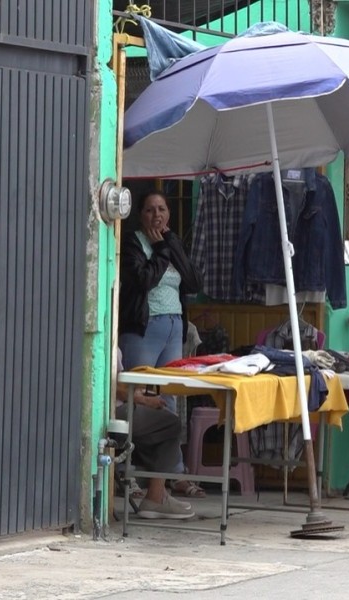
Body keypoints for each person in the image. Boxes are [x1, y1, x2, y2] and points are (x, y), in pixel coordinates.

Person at [119, 189, 204, 497]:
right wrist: (160, 251)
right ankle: (126, 474)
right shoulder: (132, 243)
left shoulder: (170, 241)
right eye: (150, 210)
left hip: (173, 326)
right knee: (135, 399)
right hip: (144, 328)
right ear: (140, 216)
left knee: (169, 402)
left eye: (162, 209)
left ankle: (172, 475)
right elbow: (143, 281)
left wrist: (170, 247)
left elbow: (193, 282)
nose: (158, 215)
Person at [115, 351, 195, 520]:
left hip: (118, 406)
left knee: (158, 424)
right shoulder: (105, 341)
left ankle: (159, 494)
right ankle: (156, 496)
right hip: (114, 410)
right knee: (170, 423)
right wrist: (142, 400)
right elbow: (111, 386)